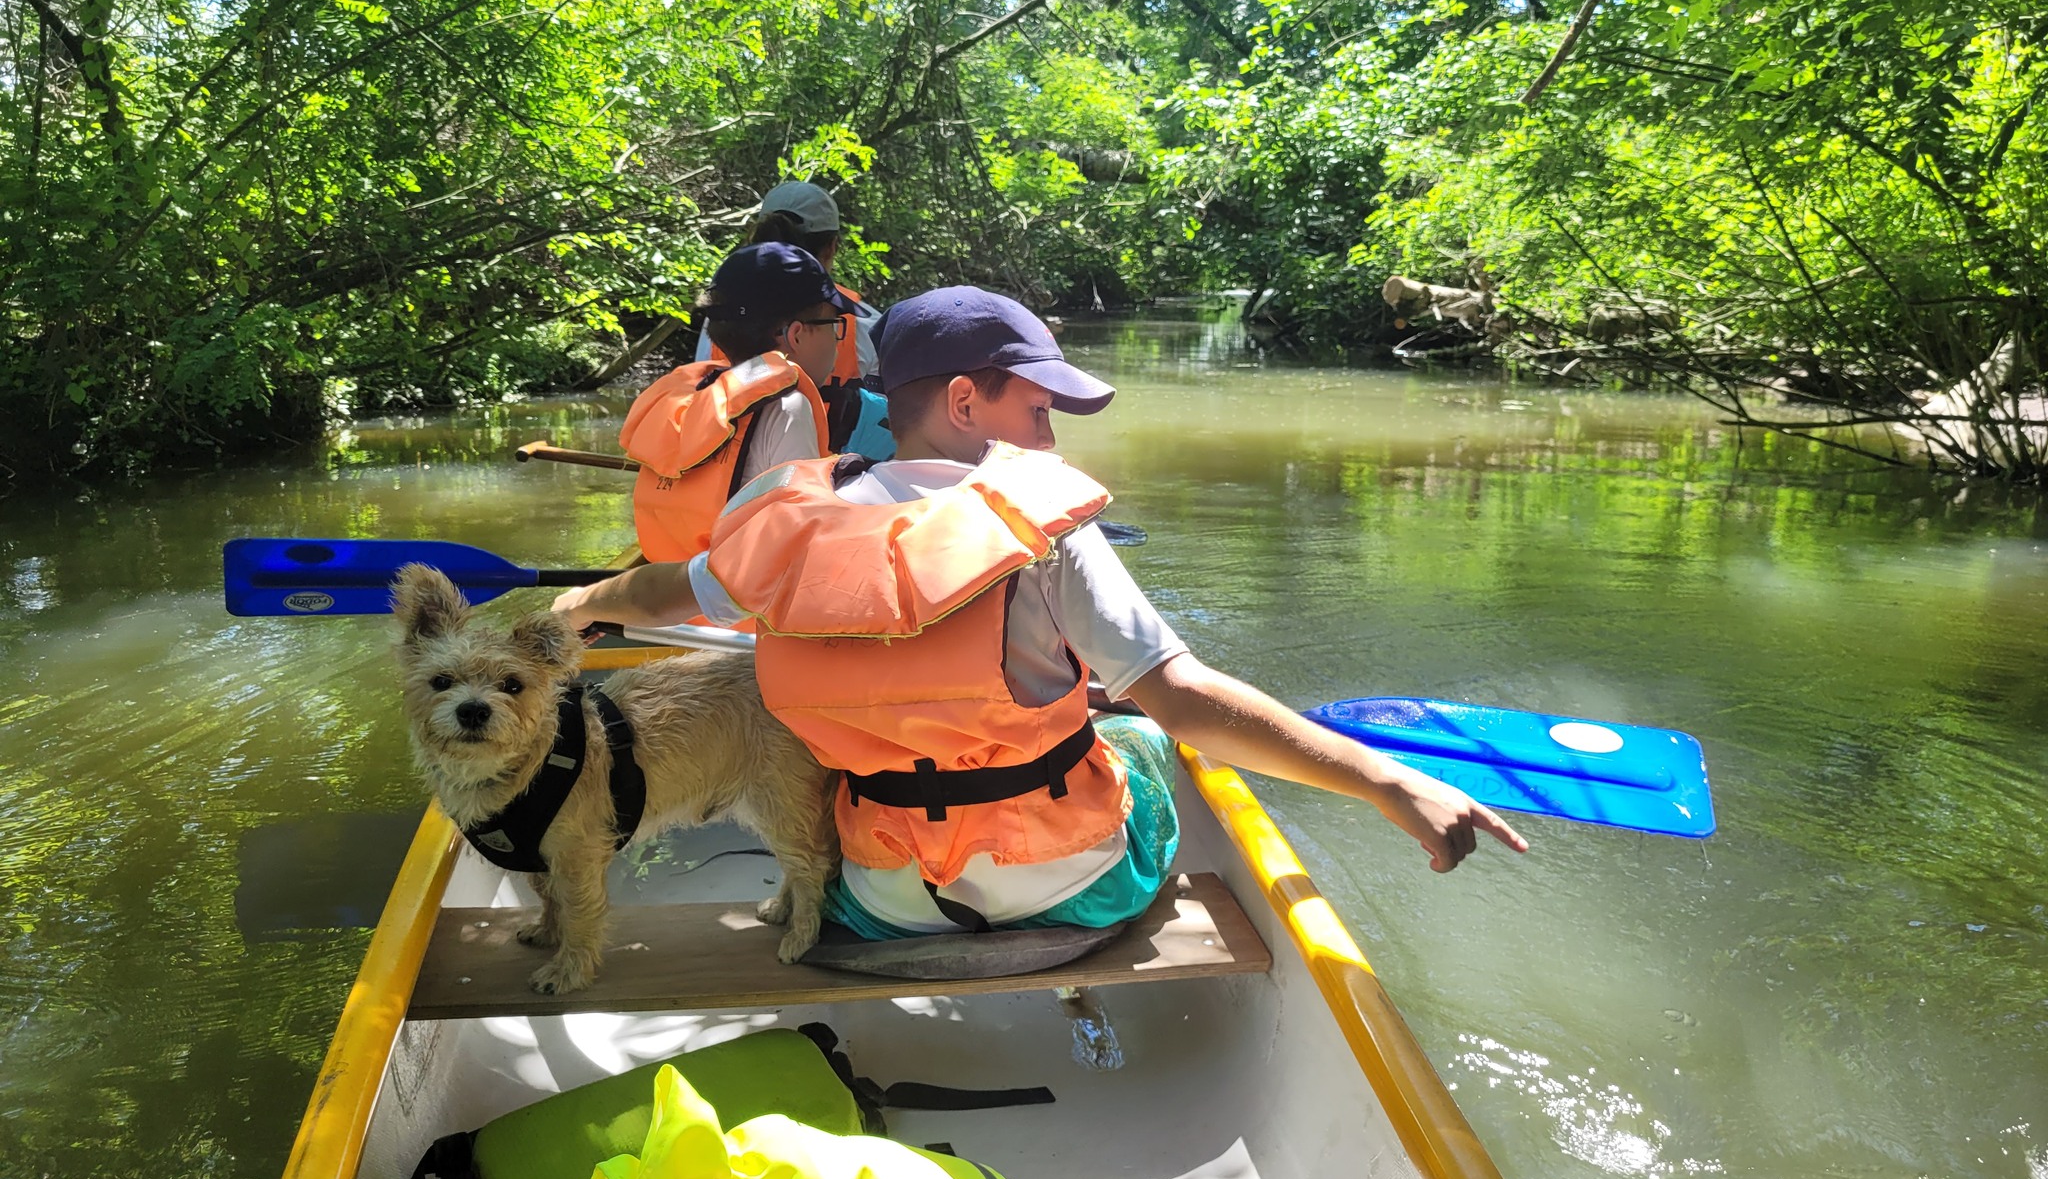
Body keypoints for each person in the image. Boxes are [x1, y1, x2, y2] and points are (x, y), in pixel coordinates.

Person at [562, 286, 1527, 937]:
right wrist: (1386, 782)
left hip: (882, 897)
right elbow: (1186, 699)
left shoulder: (776, 523)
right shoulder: (1043, 529)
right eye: (1038, 412)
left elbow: (660, 590)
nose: (1050, 438)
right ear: (965, 402)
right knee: (1154, 743)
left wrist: (581, 605)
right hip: (1067, 888)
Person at [619, 243, 846, 566]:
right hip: (734, 614)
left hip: (664, 595)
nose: (838, 343)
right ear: (796, 335)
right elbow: (798, 547)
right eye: (835, 327)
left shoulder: (691, 396)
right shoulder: (789, 409)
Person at [694, 181, 886, 453]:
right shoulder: (868, 325)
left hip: (722, 471)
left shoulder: (723, 315)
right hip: (834, 480)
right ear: (832, 247)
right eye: (833, 326)